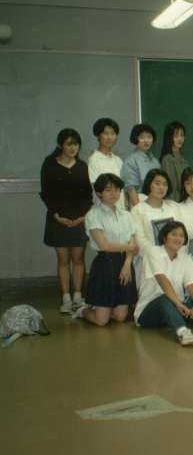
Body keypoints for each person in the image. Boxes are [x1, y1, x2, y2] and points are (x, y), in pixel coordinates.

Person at [72, 173, 137, 325]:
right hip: (105, 263)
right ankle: (83, 310)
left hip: (125, 263)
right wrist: (130, 247)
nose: (114, 193)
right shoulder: (93, 214)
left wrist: (127, 264)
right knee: (101, 321)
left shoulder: (126, 215)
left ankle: (104, 308)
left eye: (117, 189)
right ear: (99, 193)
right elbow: (104, 245)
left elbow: (132, 240)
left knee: (120, 317)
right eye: (108, 190)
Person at [40, 128, 93, 313]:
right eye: (69, 144)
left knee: (78, 259)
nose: (73, 148)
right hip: (57, 219)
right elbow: (46, 193)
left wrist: (82, 217)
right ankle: (66, 298)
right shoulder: (49, 164)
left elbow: (88, 195)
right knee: (63, 260)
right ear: (60, 145)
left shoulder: (82, 166)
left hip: (79, 219)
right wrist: (57, 215)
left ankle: (78, 296)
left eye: (76, 144)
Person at [131, 169, 180, 284]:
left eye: (165, 184)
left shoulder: (173, 207)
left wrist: (174, 255)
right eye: (157, 183)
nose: (161, 188)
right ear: (149, 184)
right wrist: (161, 256)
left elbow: (182, 235)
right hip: (149, 265)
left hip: (174, 262)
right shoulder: (138, 210)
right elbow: (140, 241)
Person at [88, 117, 126, 209]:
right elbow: (96, 189)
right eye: (105, 133)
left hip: (120, 209)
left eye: (113, 133)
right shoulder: (94, 159)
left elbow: (123, 188)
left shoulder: (118, 160)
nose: (109, 137)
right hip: (103, 210)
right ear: (98, 136)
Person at [122, 123, 161, 208]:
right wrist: (141, 210)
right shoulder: (130, 161)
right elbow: (131, 190)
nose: (146, 140)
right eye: (142, 137)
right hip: (139, 203)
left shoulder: (155, 161)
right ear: (136, 139)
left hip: (157, 203)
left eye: (149, 137)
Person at [160, 121, 189, 202]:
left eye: (182, 135)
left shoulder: (182, 157)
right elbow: (171, 188)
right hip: (175, 203)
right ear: (169, 138)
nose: (180, 139)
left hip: (184, 200)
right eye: (176, 136)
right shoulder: (168, 159)